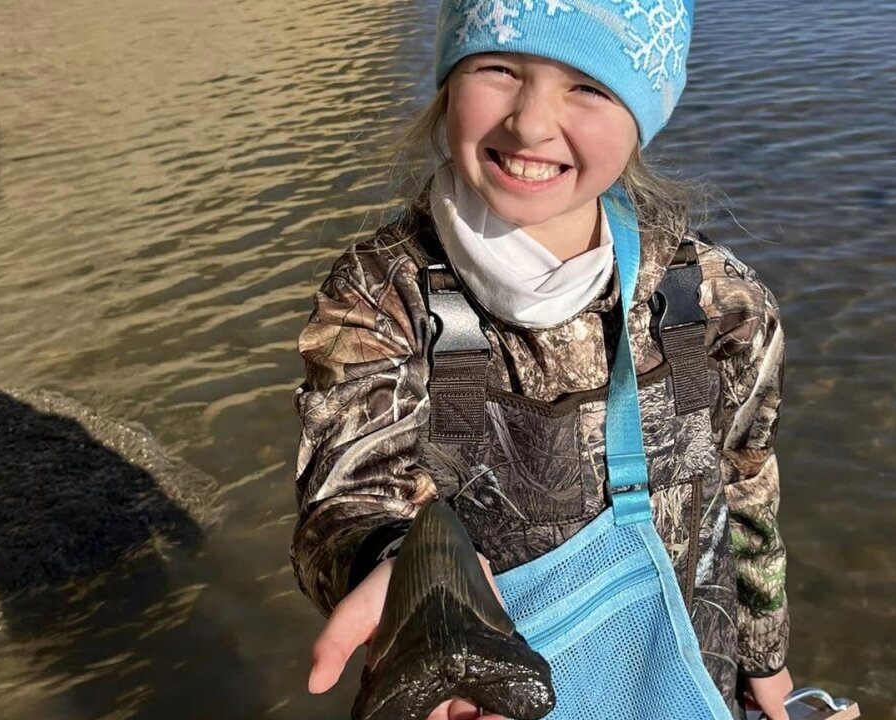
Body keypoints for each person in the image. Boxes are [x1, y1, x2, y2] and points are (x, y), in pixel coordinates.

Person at [290, 1, 792, 718]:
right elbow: (347, 492)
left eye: (587, 85)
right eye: (498, 68)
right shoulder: (380, 295)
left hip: (688, 673)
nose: (530, 123)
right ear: (449, 80)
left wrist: (766, 661)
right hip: (466, 697)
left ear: (644, 111)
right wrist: (406, 577)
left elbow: (747, 477)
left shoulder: (715, 300)